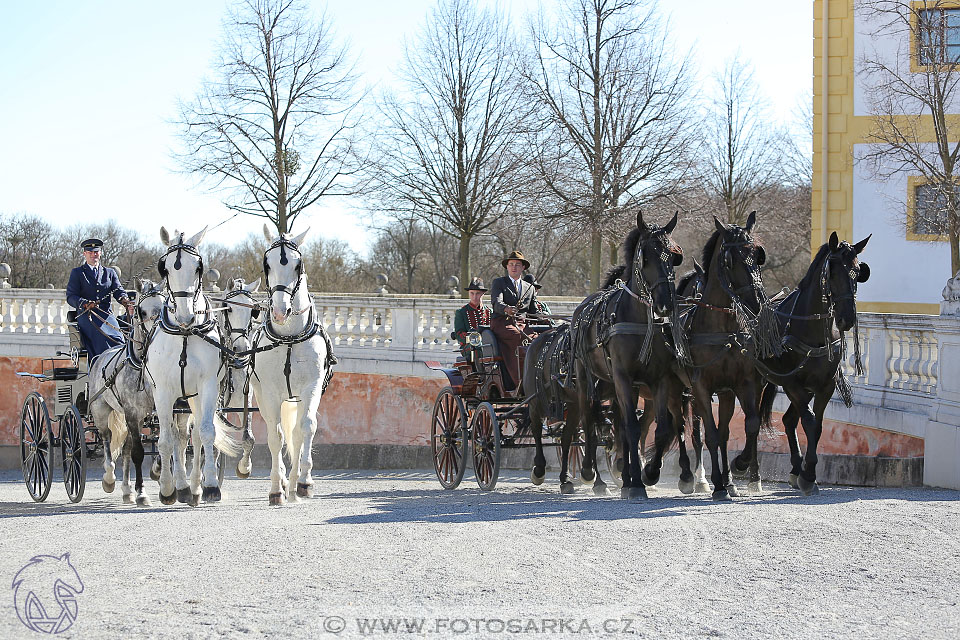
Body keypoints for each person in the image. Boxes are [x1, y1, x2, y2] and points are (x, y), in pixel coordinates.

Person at [65, 238, 134, 360]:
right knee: (102, 340)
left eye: (96, 252)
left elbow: (118, 290)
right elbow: (71, 296)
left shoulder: (110, 273)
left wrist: (125, 300)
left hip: (107, 316)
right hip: (88, 317)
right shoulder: (78, 273)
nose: (93, 255)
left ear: (100, 253)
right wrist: (84, 303)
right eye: (90, 252)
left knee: (120, 339)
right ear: (84, 254)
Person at [489, 250, 539, 391]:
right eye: (511, 264)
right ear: (507, 267)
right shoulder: (499, 282)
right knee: (518, 337)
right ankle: (519, 380)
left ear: (523, 268)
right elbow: (496, 302)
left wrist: (545, 317)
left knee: (539, 339)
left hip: (522, 324)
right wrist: (507, 309)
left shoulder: (529, 288)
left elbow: (533, 312)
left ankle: (538, 375)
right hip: (502, 323)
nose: (514, 267)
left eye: (517, 265)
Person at [453, 277, 491, 354]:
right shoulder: (462, 312)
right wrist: (472, 337)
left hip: (488, 344)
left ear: (483, 294)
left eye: (477, 293)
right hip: (469, 347)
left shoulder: (489, 311)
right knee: (478, 348)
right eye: (472, 293)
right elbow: (458, 334)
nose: (474, 297)